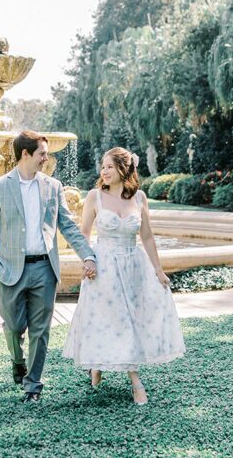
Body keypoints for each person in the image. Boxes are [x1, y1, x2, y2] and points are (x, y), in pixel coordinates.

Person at [0, 130, 97, 403]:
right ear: (25, 154)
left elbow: (67, 225)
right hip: (9, 270)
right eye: (42, 153)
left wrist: (88, 255)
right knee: (12, 327)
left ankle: (33, 385)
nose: (46, 158)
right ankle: (17, 361)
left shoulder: (53, 187)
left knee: (41, 330)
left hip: (45, 268)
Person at [63, 147, 185, 405]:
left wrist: (158, 270)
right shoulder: (94, 197)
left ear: (124, 169)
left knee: (130, 320)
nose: (104, 171)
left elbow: (148, 236)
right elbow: (84, 234)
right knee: (111, 319)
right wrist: (87, 260)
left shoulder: (139, 197)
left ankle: (99, 368)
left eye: (109, 166)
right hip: (104, 266)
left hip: (133, 266)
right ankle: (133, 379)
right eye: (103, 167)